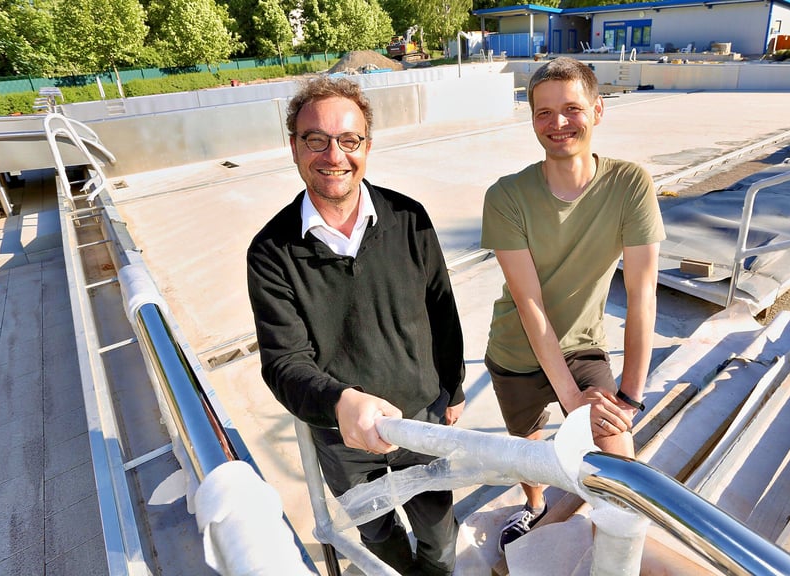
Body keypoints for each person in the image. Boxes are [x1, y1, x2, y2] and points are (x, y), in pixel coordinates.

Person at [247, 76, 466, 576]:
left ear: (367, 145)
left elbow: (443, 312)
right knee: (377, 535)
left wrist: (451, 390)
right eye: (316, 140)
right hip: (340, 441)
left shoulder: (411, 219)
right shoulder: (270, 251)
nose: (334, 155)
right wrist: (341, 404)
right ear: (294, 147)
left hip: (420, 424)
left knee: (439, 535)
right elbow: (283, 362)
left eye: (349, 140)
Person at [480, 57, 665, 553]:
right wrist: (569, 400)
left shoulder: (629, 184)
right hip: (517, 348)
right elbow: (528, 302)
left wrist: (628, 397)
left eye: (571, 108)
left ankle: (618, 549)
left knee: (617, 455)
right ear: (532, 119)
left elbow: (643, 291)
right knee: (528, 447)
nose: (558, 123)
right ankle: (535, 505)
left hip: (583, 346)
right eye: (544, 112)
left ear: (598, 110)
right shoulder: (506, 196)